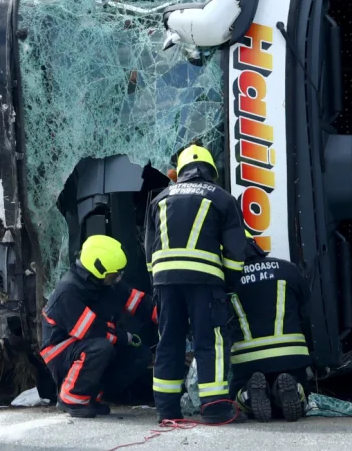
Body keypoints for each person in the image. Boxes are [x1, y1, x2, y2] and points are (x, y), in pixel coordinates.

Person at [145, 144, 249, 424]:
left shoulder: (160, 199)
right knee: (210, 341)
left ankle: (166, 410)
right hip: (204, 282)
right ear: (210, 171)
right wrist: (229, 283)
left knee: (168, 342)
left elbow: (149, 250)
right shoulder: (222, 198)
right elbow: (236, 250)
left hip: (165, 282)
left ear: (181, 171)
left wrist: (157, 282)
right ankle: (215, 408)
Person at [41, 234, 157, 418]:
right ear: (99, 270)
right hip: (60, 350)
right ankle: (71, 398)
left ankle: (92, 395)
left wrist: (166, 316)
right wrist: (123, 337)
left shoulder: (107, 284)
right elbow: (91, 331)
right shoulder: (68, 292)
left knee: (139, 355)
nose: (118, 277)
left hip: (89, 342)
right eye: (114, 274)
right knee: (100, 347)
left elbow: (137, 301)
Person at [229, 233, 313, 422]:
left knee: (236, 394)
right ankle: (293, 388)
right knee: (301, 390)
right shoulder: (288, 269)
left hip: (247, 359)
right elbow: (306, 311)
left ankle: (248, 393)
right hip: (291, 354)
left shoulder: (228, 279)